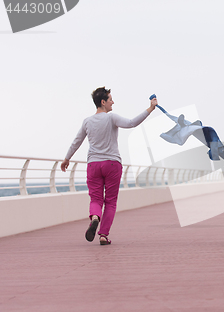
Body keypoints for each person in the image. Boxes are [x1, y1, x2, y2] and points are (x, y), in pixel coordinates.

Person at [61, 87, 157, 245]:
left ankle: (95, 217)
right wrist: (150, 109)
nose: (113, 102)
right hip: (112, 164)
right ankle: (104, 235)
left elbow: (76, 141)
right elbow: (131, 123)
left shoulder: (87, 121)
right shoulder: (111, 118)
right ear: (103, 102)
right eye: (110, 99)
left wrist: (66, 159)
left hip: (93, 165)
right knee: (110, 201)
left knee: (95, 199)